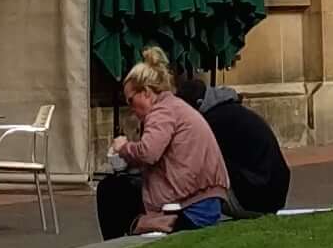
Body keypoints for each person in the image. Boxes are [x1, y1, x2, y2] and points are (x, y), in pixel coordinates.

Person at [110, 60, 228, 233]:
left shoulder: (161, 112)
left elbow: (149, 152)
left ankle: (121, 243)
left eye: (131, 100)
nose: (131, 108)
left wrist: (124, 148)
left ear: (146, 92)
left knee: (112, 192)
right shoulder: (173, 106)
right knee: (122, 191)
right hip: (202, 199)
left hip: (192, 206)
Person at [182, 68, 290, 218]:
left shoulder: (213, 122)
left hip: (257, 197)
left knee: (199, 168)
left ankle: (192, 216)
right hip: (272, 192)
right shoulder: (230, 111)